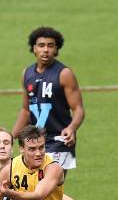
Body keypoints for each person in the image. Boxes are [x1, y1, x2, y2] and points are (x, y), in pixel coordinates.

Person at [12, 26, 85, 173]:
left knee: (48, 187)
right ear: (34, 49)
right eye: (41, 45)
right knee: (37, 190)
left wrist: (71, 128)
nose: (45, 50)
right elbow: (26, 110)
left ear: (56, 50)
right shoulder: (27, 73)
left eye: (50, 46)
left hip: (59, 140)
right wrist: (10, 136)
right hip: (35, 141)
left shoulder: (64, 74)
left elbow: (78, 109)